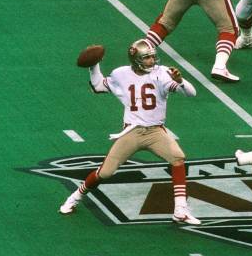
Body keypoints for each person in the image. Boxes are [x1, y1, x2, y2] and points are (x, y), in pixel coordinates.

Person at [59, 40, 201, 225]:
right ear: (136, 59)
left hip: (155, 131)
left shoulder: (162, 73)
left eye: (152, 56)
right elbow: (98, 86)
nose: (152, 60)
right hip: (132, 132)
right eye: (147, 57)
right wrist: (94, 65)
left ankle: (180, 210)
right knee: (106, 172)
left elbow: (191, 93)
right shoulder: (121, 74)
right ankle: (75, 196)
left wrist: (180, 81)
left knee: (178, 158)